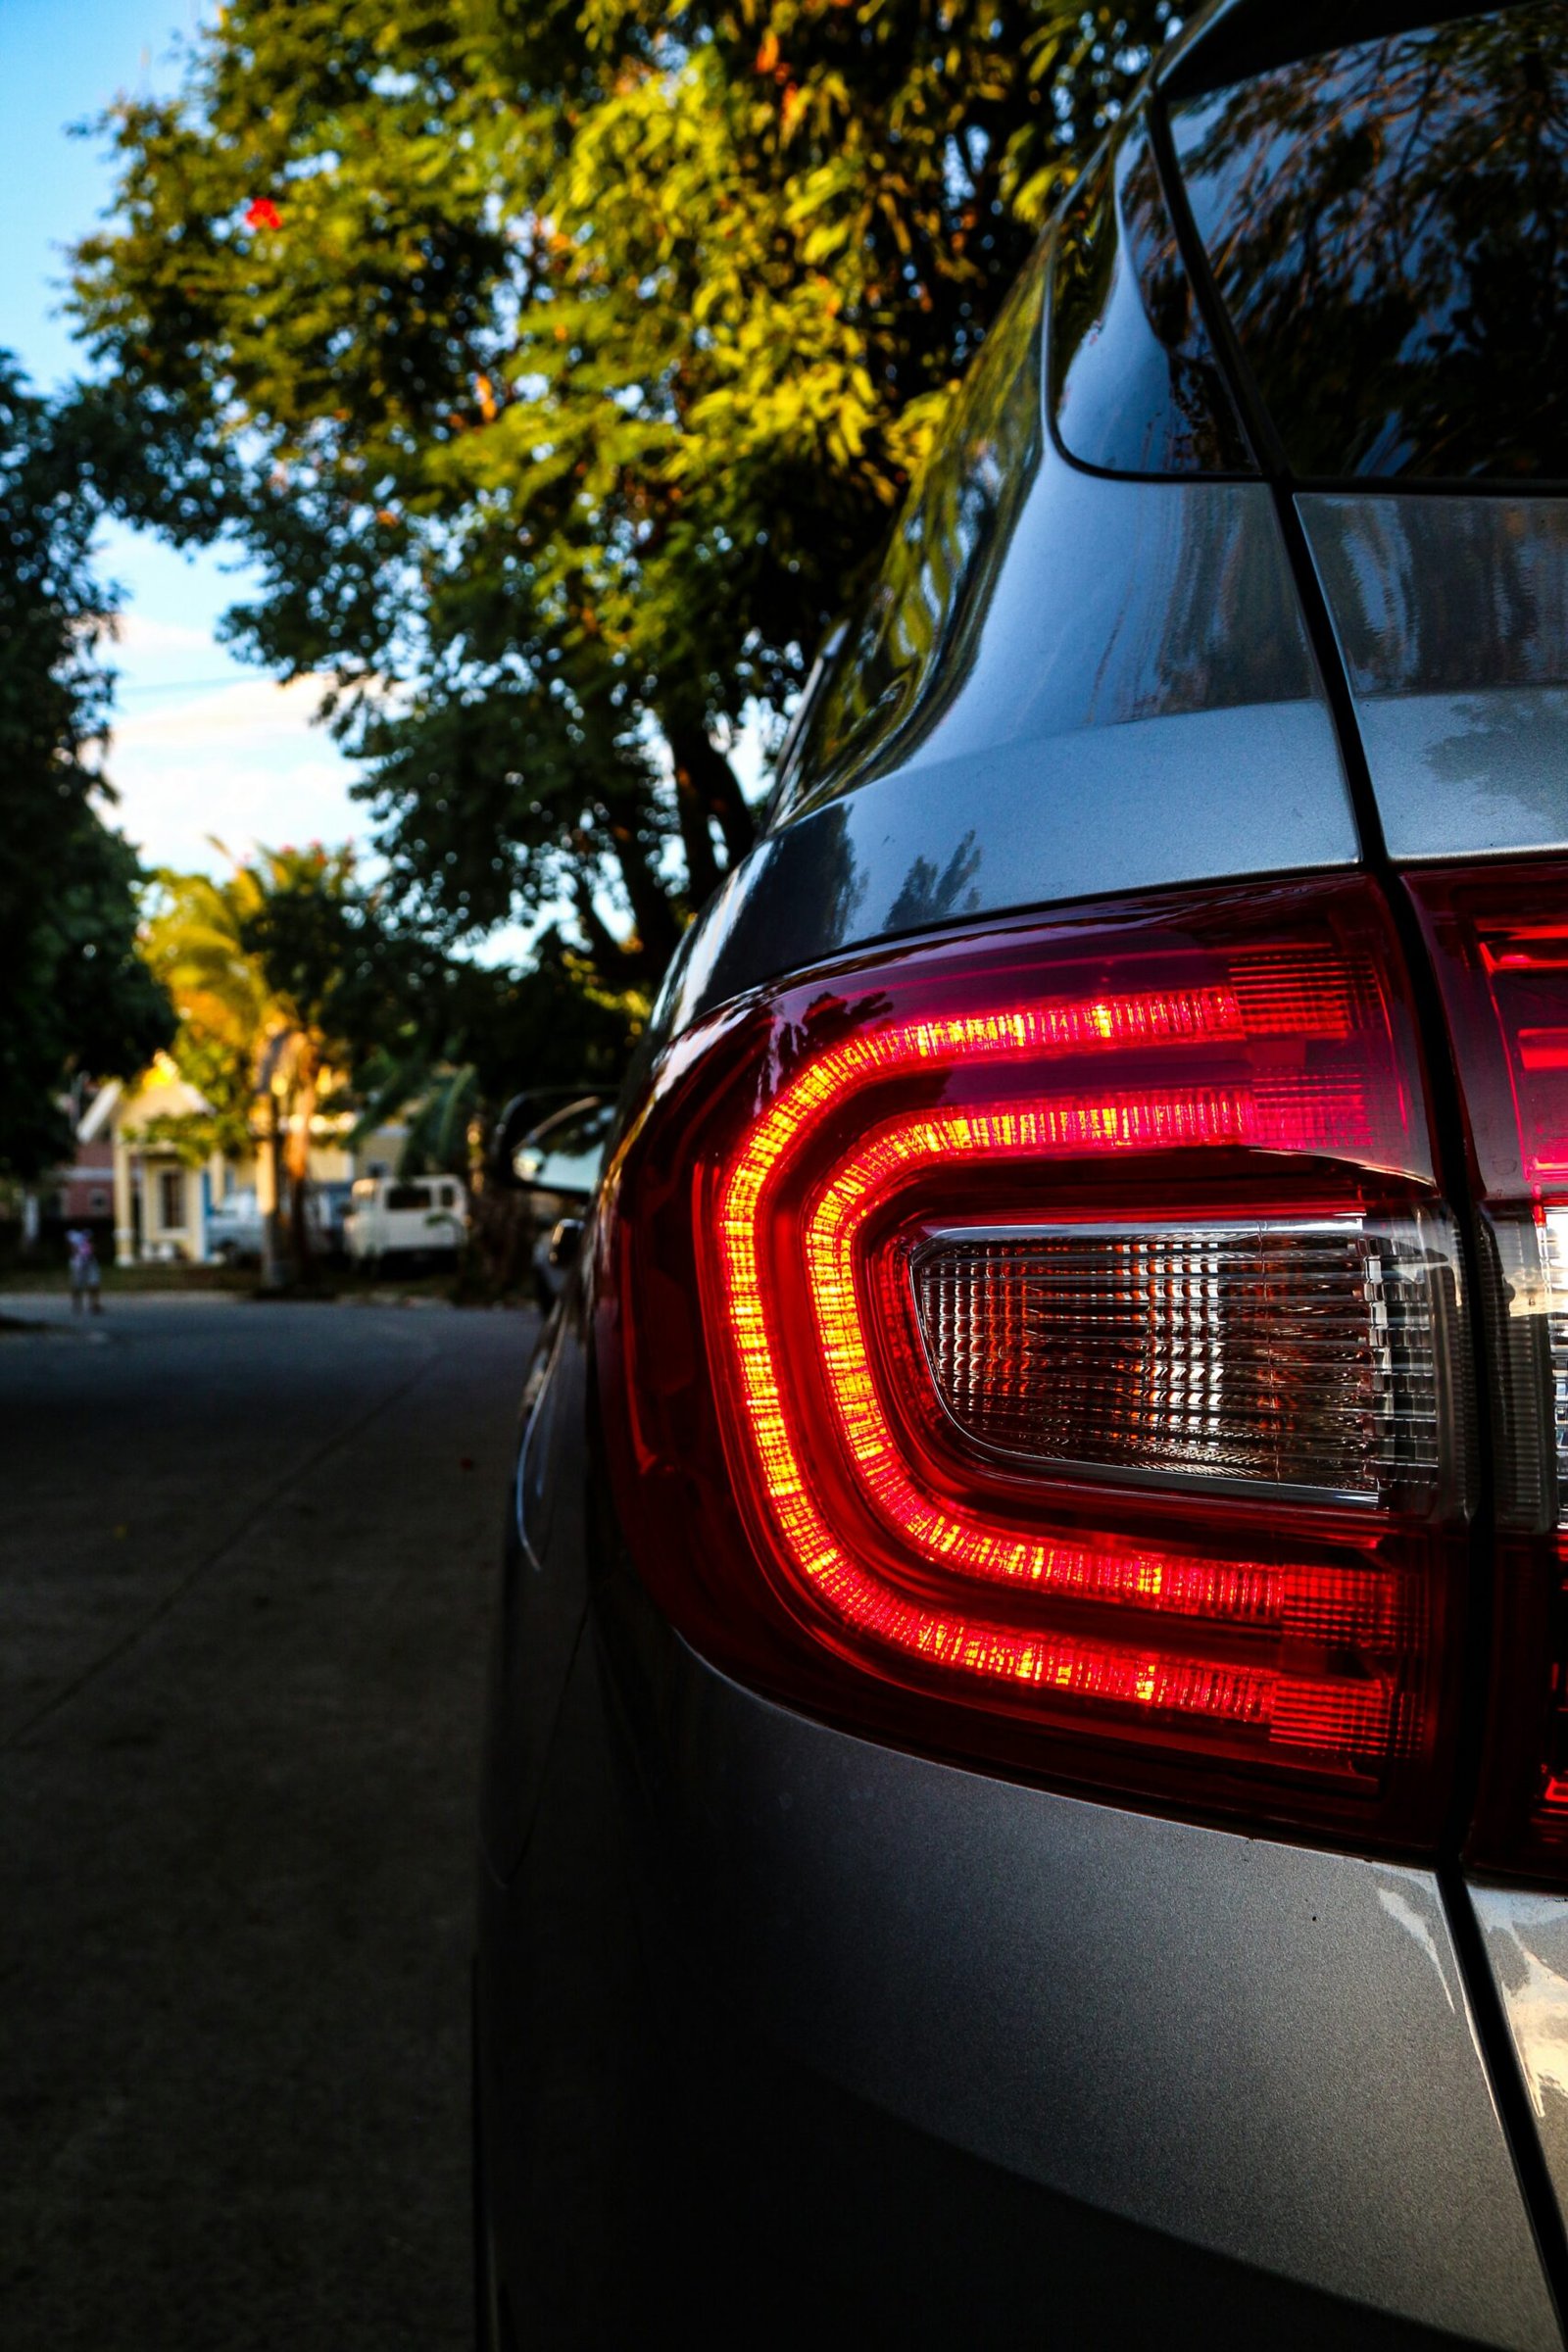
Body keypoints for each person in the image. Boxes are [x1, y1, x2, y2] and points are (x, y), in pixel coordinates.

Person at [66, 1225, 102, 1315]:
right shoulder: (72, 1235)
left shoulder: (88, 1234)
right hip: (78, 1264)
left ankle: (94, 1304)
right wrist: (76, 1253)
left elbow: (93, 1247)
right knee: (77, 1285)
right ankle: (77, 1304)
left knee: (94, 1283)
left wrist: (90, 1250)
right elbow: (71, 1250)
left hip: (90, 1262)